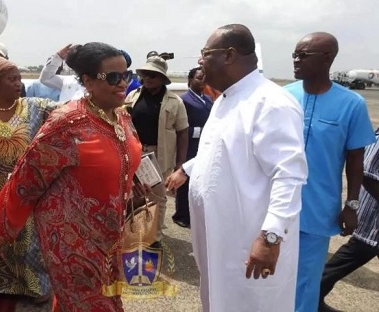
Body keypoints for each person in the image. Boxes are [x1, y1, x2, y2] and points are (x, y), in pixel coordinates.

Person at [0, 42, 143, 311]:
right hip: (72, 239)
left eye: (126, 75)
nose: (123, 83)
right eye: (114, 77)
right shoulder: (68, 124)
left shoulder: (121, 118)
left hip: (110, 234)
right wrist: (1, 229)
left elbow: (124, 159)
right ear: (88, 81)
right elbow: (27, 177)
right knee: (93, 303)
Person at [166, 24, 308, 312]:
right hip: (221, 235)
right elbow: (223, 149)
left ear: (229, 55)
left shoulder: (271, 103)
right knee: (220, 298)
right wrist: (188, 170)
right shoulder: (226, 99)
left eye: (205, 53)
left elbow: (289, 174)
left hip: (247, 237)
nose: (199, 61)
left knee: (250, 302)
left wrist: (270, 237)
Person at [284, 32, 375, 312]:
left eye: (303, 55)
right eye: (295, 54)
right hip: (276, 206)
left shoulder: (352, 104)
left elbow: (355, 159)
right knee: (271, 277)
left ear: (327, 58)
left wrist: (352, 205)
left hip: (318, 211)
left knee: (306, 284)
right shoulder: (283, 97)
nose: (296, 60)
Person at [0, 55, 55, 305]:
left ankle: (33, 284)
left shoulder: (34, 106)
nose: (19, 83)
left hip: (23, 187)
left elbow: (68, 111)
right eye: (12, 79)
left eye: (19, 78)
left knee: (26, 236)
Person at [126, 55, 189, 245]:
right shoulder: (133, 96)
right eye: (145, 74)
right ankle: (134, 233)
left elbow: (183, 132)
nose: (148, 78)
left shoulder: (174, 101)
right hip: (135, 153)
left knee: (157, 198)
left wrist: (180, 164)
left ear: (162, 78)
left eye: (153, 75)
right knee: (133, 195)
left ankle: (154, 237)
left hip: (159, 156)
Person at [318, 128, 379, 312]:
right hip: (372, 222)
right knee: (345, 261)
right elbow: (366, 172)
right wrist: (351, 208)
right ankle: (309, 296)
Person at [172, 67, 213, 229]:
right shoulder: (184, 100)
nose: (202, 81)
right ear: (190, 80)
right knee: (185, 180)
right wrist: (200, 131)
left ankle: (194, 213)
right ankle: (181, 214)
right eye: (199, 78)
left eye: (204, 78)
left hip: (203, 148)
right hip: (189, 146)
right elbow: (180, 126)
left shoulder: (208, 99)